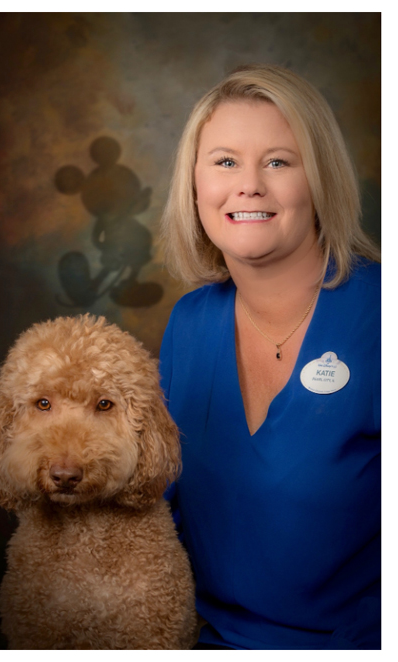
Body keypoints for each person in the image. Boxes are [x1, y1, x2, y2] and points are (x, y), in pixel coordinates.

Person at [159, 64, 380, 650]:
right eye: (225, 161)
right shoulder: (189, 323)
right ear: (195, 185)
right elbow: (155, 510)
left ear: (320, 179)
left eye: (278, 161)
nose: (249, 185)